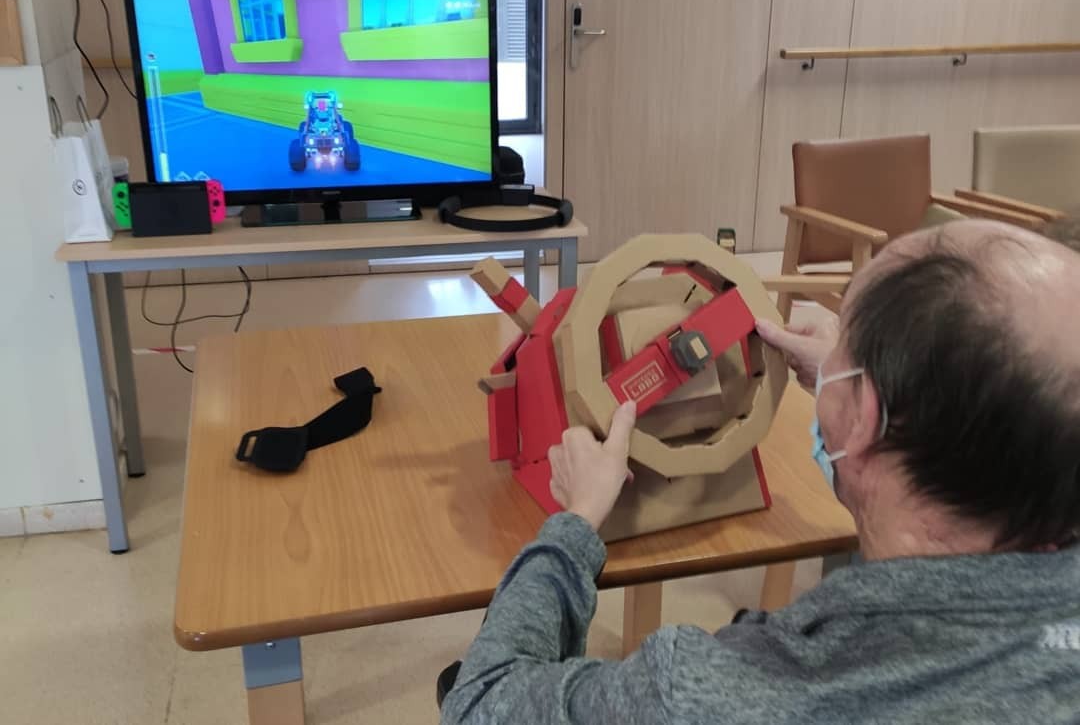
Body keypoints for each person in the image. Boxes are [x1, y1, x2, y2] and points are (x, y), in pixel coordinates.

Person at [440, 220, 1080, 724]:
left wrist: (576, 523)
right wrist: (853, 381)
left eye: (842, 343)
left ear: (863, 418)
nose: (827, 345)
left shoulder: (706, 694)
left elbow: (480, 702)